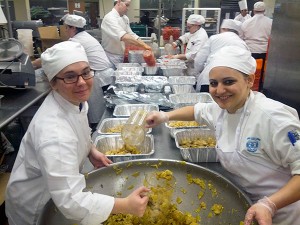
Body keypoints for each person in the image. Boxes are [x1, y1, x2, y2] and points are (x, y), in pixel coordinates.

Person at [145, 46, 300, 225]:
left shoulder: (273, 118)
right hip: (244, 204)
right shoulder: (222, 109)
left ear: (249, 80)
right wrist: (164, 116)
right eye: (213, 83)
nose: (219, 91)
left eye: (228, 82)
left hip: (283, 213)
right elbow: (197, 111)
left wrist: (269, 204)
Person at [5, 41, 150, 225]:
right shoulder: (53, 133)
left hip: (56, 194)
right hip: (36, 206)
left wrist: (90, 149)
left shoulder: (74, 101)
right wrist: (126, 205)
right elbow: (70, 202)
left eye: (86, 72)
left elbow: (78, 126)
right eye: (70, 77)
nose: (81, 82)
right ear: (53, 83)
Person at [33, 14, 114, 129]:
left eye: (67, 28)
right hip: (105, 75)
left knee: (96, 115)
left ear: (73, 28)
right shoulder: (86, 36)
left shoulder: (76, 41)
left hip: (99, 77)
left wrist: (31, 64)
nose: (65, 30)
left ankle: (97, 127)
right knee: (97, 113)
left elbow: (50, 59)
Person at [194, 19, 249, 92]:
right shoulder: (242, 44)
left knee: (205, 102)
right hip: (231, 85)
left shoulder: (214, 38)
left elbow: (199, 60)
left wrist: (198, 73)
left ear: (225, 28)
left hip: (209, 80)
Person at [101, 0, 151, 68]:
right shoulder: (109, 18)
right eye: (126, 5)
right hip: (110, 56)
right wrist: (144, 46)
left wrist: (145, 44)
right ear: (118, 2)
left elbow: (131, 34)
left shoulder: (125, 18)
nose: (128, 8)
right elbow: (124, 37)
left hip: (121, 54)